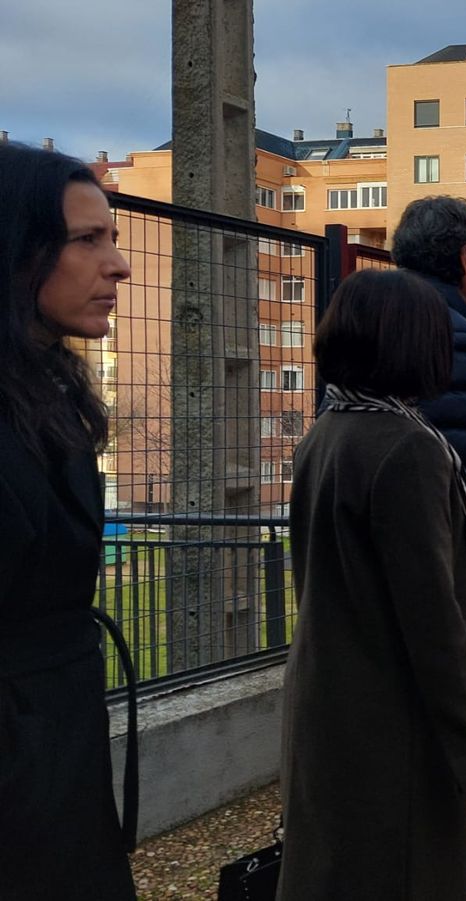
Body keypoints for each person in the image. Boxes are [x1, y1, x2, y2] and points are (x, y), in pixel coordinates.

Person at [277, 268, 466, 900]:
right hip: (392, 722)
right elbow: (435, 621)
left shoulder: (325, 435)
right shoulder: (407, 447)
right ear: (415, 346)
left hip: (327, 703)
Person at [0, 144, 137, 901]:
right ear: (18, 250)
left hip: (60, 756)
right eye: (89, 240)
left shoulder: (50, 390)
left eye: (112, 238)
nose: (117, 266)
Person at [390, 195, 466, 882]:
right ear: (464, 257)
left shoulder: (368, 311)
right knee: (453, 682)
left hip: (382, 534)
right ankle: (451, 834)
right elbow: (463, 448)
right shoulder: (459, 329)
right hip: (446, 533)